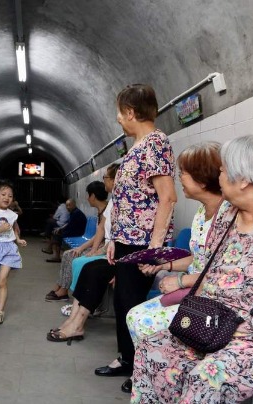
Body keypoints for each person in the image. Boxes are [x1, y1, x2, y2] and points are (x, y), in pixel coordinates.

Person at [132, 134, 253, 403]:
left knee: (205, 378)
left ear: (243, 180)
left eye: (222, 171)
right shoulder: (227, 214)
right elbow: (209, 268)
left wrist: (249, 327)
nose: (218, 177)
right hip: (213, 320)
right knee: (153, 349)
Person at [94, 84, 177, 394]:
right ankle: (126, 359)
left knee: (132, 304)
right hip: (127, 239)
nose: (117, 118)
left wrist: (154, 248)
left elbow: (167, 198)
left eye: (119, 112)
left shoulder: (156, 143)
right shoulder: (137, 147)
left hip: (144, 243)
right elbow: (126, 199)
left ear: (131, 112)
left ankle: (140, 367)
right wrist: (114, 236)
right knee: (122, 301)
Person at [126, 142, 230, 346]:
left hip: (212, 299)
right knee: (134, 316)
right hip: (194, 291)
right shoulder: (201, 213)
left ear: (201, 179)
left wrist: (181, 282)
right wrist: (164, 266)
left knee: (140, 321)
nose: (179, 178)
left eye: (183, 172)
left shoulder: (228, 216)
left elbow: (222, 271)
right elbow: (200, 258)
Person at [46, 166, 119, 302]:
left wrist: (91, 250)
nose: (86, 198)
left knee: (70, 255)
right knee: (70, 253)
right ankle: (60, 286)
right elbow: (98, 234)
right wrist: (82, 248)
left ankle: (64, 290)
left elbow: (101, 235)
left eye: (88, 195)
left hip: (106, 248)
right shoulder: (105, 209)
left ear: (92, 196)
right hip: (102, 245)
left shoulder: (108, 209)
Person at [0, 180, 27, 325]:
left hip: (9, 249)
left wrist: (18, 240)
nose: (7, 198)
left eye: (10, 196)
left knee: (2, 281)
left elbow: (14, 230)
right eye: (3, 194)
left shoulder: (12, 214)